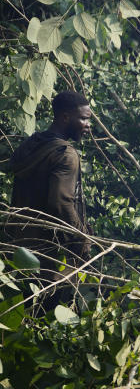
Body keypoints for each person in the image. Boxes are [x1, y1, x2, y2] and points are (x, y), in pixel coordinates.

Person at [6, 90, 92, 306]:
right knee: (45, 316)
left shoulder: (33, 143)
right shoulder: (65, 154)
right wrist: (80, 239)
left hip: (16, 246)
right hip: (48, 256)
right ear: (65, 117)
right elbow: (60, 203)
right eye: (83, 118)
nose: (88, 125)